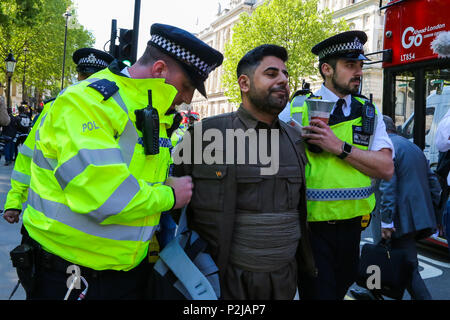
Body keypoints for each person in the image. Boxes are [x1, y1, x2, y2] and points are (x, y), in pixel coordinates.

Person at [9, 23, 223, 300]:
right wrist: (170, 195)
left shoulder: (151, 112)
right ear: (159, 71)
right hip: (70, 275)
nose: (187, 98)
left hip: (125, 273)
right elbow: (103, 197)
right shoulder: (85, 103)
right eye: (187, 86)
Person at [173, 44, 316, 300]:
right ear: (245, 83)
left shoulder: (296, 139)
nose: (284, 80)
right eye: (272, 74)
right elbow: (173, 207)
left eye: (285, 74)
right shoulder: (204, 135)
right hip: (220, 284)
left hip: (284, 283)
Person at [279, 31, 395, 300]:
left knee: (340, 289)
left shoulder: (368, 111)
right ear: (327, 69)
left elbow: (386, 167)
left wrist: (339, 147)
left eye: (360, 66)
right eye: (350, 66)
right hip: (310, 230)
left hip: (353, 229)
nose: (358, 73)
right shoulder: (297, 108)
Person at [3, 48, 114, 225]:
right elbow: (28, 157)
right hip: (49, 228)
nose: (85, 84)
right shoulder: (53, 108)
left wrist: (14, 202)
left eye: (91, 79)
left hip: (63, 227)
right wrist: (14, 202)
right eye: (83, 77)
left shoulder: (119, 113)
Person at [353, 115, 441, 300]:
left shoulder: (386, 149)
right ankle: (372, 291)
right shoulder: (413, 147)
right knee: (387, 256)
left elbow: (388, 186)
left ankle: (375, 293)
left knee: (408, 266)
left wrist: (386, 220)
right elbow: (434, 183)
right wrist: (433, 212)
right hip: (416, 216)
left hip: (399, 218)